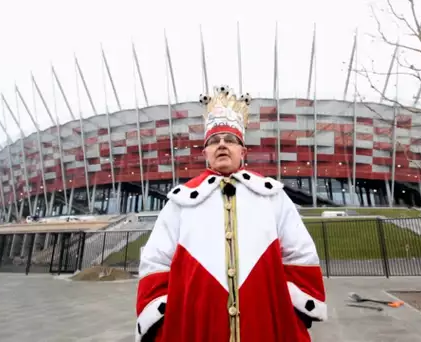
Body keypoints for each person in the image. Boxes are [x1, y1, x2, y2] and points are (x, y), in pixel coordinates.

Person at [135, 85, 327, 342]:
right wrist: (164, 316)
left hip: (264, 321)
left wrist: (291, 308)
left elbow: (301, 252)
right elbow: (155, 260)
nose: (222, 145)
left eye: (230, 140)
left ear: (243, 151)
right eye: (214, 141)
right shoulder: (179, 202)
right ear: (205, 154)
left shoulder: (272, 196)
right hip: (196, 323)